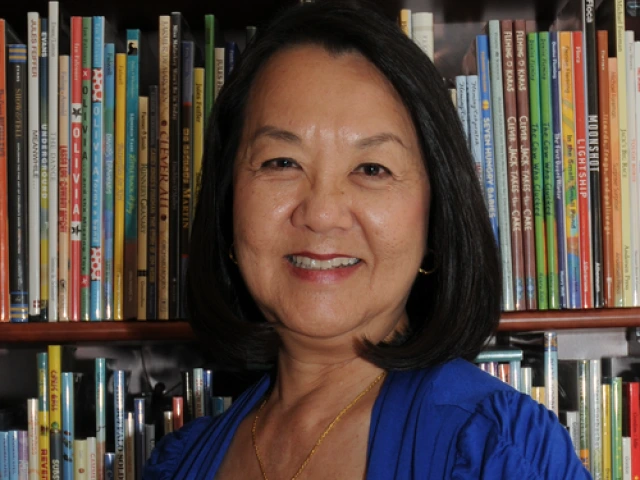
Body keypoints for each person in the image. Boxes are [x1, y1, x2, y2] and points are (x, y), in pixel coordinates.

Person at [144, 1, 590, 478]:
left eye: (372, 169)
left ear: (435, 217)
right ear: (227, 200)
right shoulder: (178, 463)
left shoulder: (497, 452)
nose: (321, 213)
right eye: (281, 163)